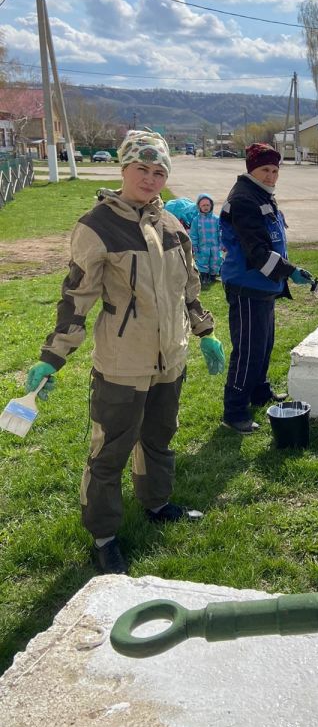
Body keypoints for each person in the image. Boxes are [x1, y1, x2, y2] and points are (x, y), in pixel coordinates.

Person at [24, 129, 226, 575]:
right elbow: (76, 297)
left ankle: (156, 504)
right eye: (142, 169)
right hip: (122, 363)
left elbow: (189, 288)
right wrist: (52, 356)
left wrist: (205, 331)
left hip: (170, 359)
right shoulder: (96, 225)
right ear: (124, 168)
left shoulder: (172, 224)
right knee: (110, 452)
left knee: (158, 439)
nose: (151, 179)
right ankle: (104, 536)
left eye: (159, 172)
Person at [219, 142, 313, 433]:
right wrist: (290, 271)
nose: (271, 176)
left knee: (264, 344)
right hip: (247, 286)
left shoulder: (261, 194)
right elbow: (256, 253)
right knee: (248, 349)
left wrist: (284, 271)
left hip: (264, 286)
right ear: (251, 170)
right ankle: (235, 411)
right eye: (264, 170)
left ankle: (258, 391)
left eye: (275, 170)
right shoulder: (245, 199)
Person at [190, 192, 222, 287]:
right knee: (202, 262)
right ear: (199, 206)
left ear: (211, 205)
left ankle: (213, 276)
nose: (206, 207)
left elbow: (220, 232)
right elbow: (194, 234)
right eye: (203, 205)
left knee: (215, 261)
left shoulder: (216, 219)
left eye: (208, 205)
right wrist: (194, 245)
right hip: (202, 246)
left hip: (215, 246)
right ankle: (204, 277)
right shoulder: (196, 220)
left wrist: (222, 244)